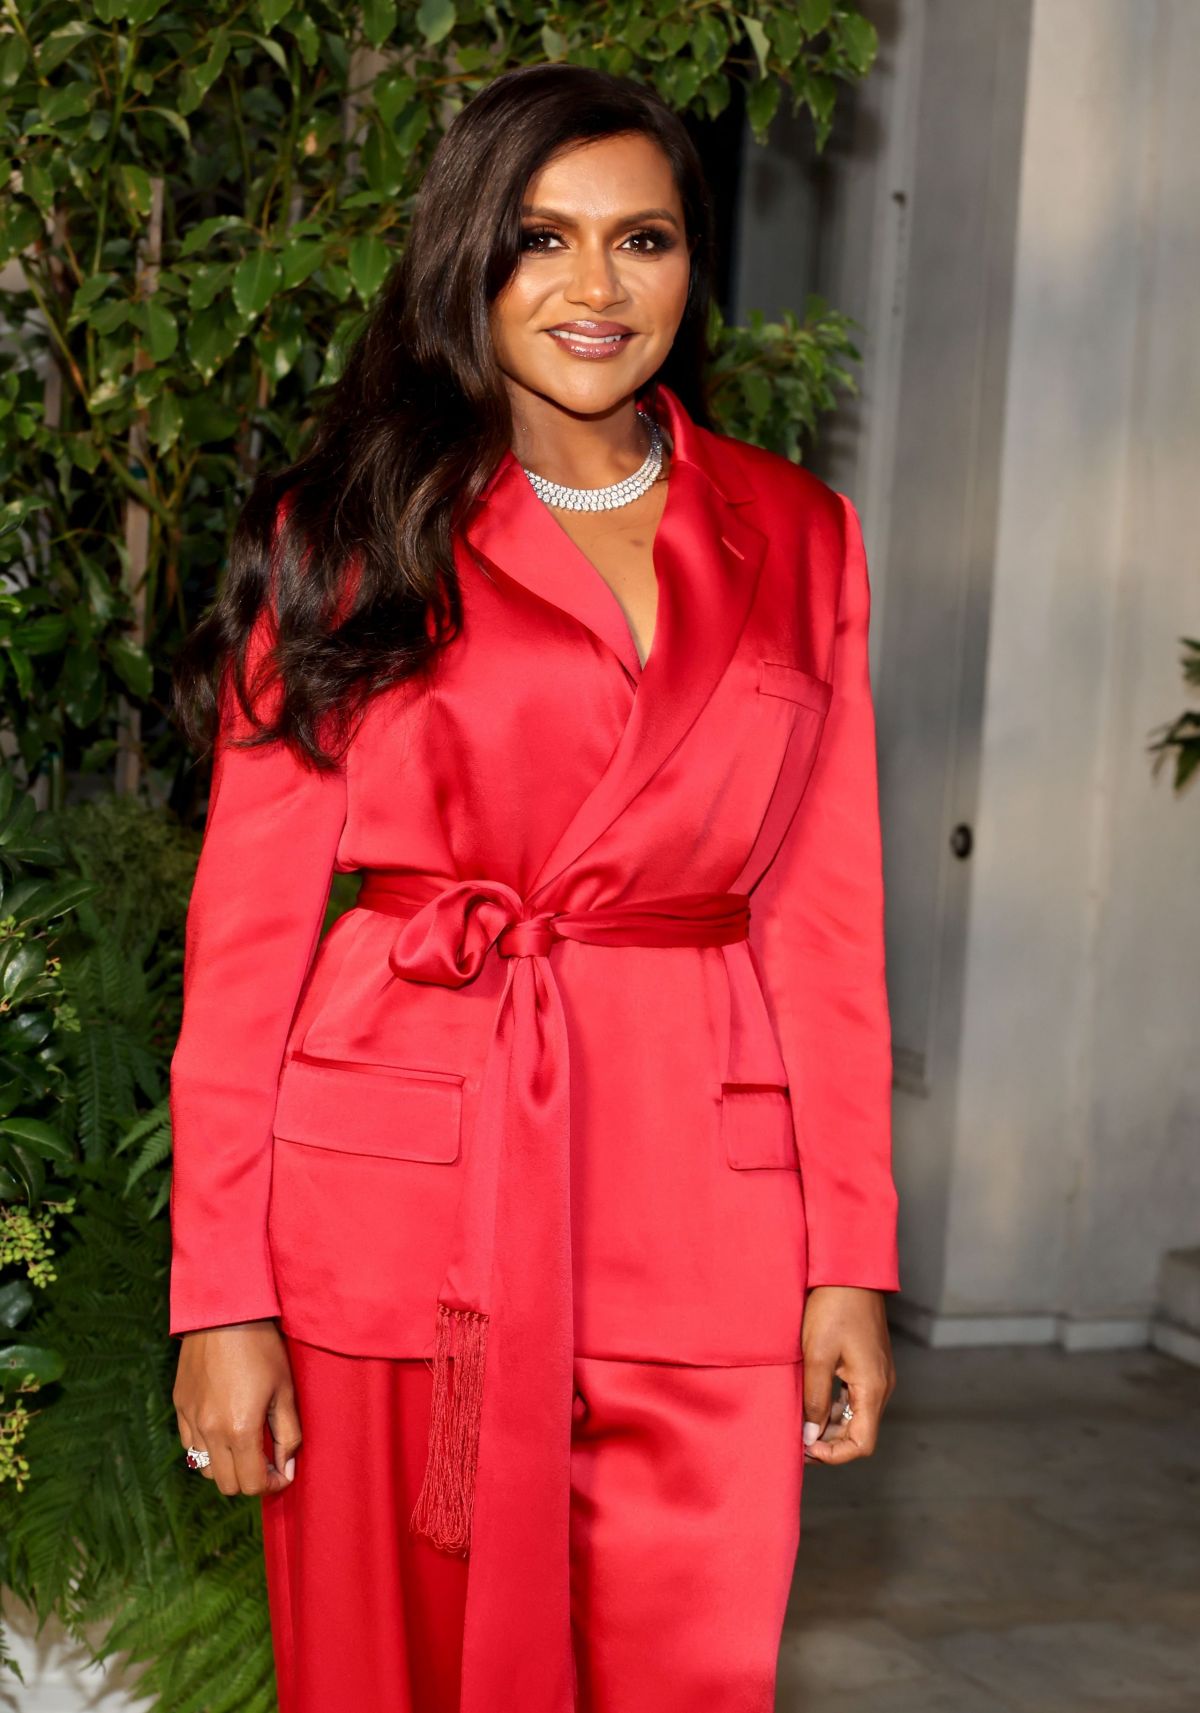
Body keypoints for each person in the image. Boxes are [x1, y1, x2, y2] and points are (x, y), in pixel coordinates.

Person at [167, 60, 900, 1713]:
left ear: (690, 267)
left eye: (640, 241)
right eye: (539, 240)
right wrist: (220, 1294)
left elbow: (827, 920)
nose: (593, 289)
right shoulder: (349, 532)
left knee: (691, 1671)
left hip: (701, 1205)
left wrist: (848, 1254)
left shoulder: (802, 536)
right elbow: (249, 938)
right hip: (404, 1204)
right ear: (466, 263)